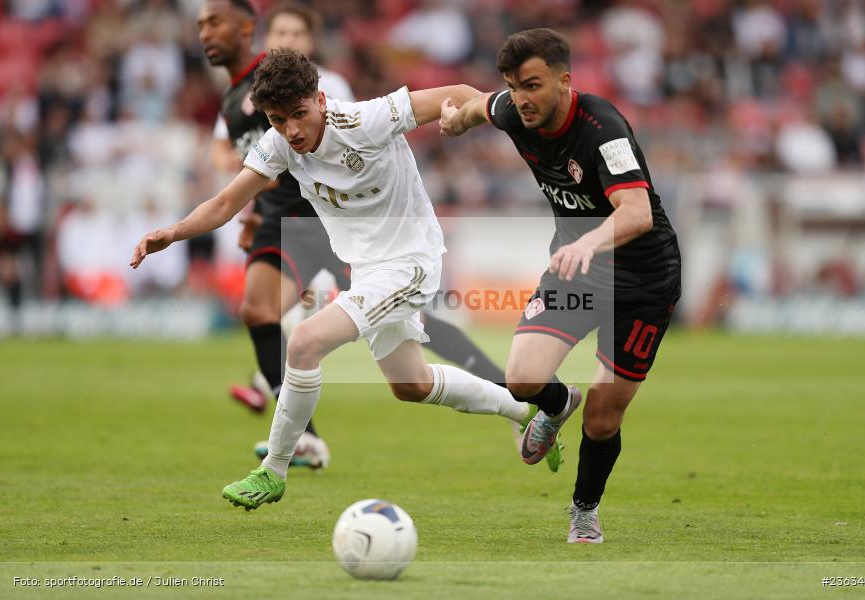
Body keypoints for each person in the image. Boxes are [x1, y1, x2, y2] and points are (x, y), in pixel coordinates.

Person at [131, 49, 535, 511]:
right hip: (368, 269)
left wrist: (494, 119)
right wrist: (174, 232)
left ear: (320, 100)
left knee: (303, 341)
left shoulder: (367, 119)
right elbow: (225, 203)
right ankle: (521, 409)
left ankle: (275, 470)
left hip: (411, 261)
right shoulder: (279, 143)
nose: (293, 130)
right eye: (279, 120)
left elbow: (461, 94)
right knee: (411, 384)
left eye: (299, 115)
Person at [198, 0, 507, 469]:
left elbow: (351, 142)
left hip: (348, 230)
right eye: (280, 31)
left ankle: (283, 451)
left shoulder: (332, 93)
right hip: (311, 230)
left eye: (297, 34)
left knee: (317, 333)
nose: (288, 40)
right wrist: (249, 210)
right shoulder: (247, 104)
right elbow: (233, 166)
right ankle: (301, 427)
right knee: (267, 314)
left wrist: (486, 115)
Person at [440, 28, 681, 543]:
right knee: (522, 377)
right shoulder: (511, 109)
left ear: (564, 80)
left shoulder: (603, 129)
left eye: (532, 85)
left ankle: (584, 510)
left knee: (602, 415)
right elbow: (474, 102)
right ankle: (555, 404)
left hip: (643, 280)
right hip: (580, 273)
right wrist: (457, 120)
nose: (521, 99)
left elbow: (636, 213)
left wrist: (589, 242)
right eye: (513, 85)